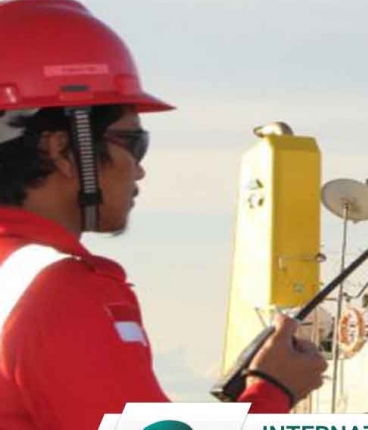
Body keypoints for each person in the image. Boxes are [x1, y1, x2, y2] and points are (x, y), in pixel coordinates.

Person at [0, 1, 328, 428]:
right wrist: (272, 389)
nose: (139, 169)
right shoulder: (58, 291)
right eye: (134, 143)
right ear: (62, 149)